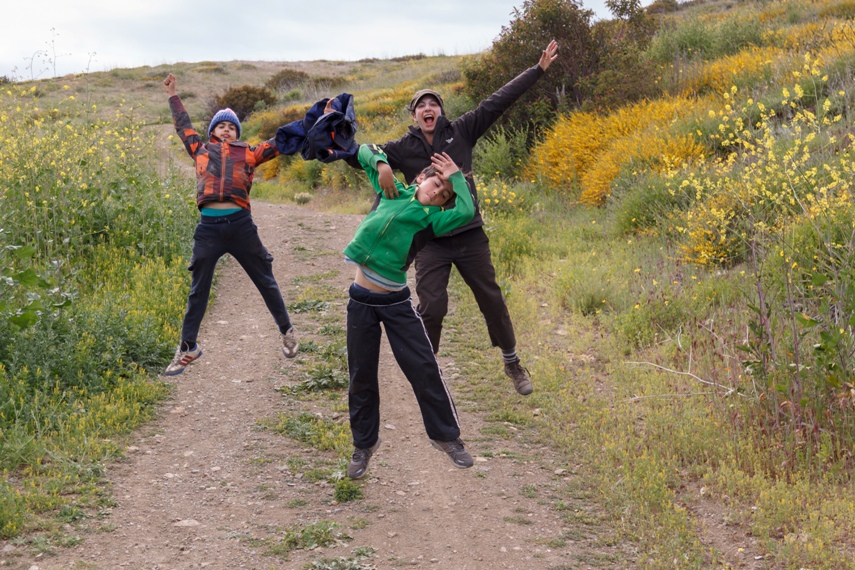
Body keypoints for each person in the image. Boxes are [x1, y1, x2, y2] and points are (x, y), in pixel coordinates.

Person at [361, 40, 560, 397]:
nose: (428, 107)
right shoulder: (403, 148)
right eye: (421, 105)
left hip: (469, 236)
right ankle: (427, 369)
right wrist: (379, 164)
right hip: (432, 241)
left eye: (433, 102)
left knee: (492, 299)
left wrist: (538, 70)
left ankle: (512, 363)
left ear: (441, 110)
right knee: (432, 307)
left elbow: (499, 101)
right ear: (413, 116)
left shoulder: (462, 131)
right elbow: (367, 150)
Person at [343, 143, 475, 479]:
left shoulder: (433, 221)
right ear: (420, 178)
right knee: (361, 375)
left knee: (424, 367)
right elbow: (363, 150)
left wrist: (456, 178)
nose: (438, 193)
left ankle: (448, 437)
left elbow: (465, 212)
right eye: (436, 184)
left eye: (444, 194)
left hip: (395, 302)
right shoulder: (391, 192)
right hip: (361, 300)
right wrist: (381, 163)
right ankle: (364, 445)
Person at [162, 73, 298, 376]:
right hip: (208, 229)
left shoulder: (249, 152)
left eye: (231, 126)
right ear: (213, 131)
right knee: (198, 289)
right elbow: (183, 125)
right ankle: (188, 347)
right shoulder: (199, 149)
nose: (226, 129)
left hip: (240, 225)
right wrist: (173, 94)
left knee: (265, 279)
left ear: (237, 133)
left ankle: (286, 330)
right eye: (221, 125)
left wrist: (317, 121)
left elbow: (284, 140)